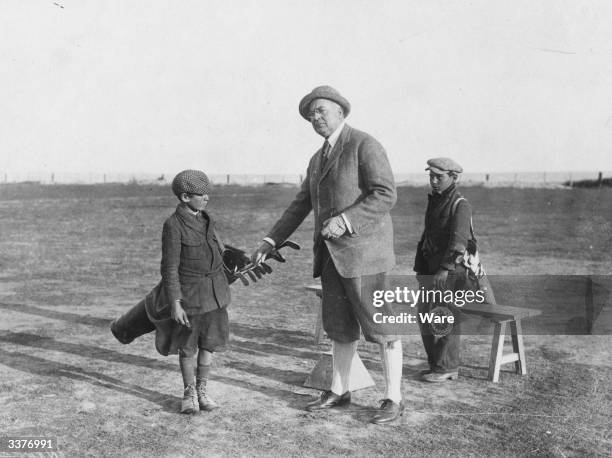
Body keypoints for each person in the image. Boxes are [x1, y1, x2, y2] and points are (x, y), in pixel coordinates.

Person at [252, 86, 404, 424]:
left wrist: (346, 220)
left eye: (320, 111)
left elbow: (386, 194)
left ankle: (393, 398)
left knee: (382, 327)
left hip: (366, 256)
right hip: (332, 259)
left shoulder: (365, 145)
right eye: (310, 115)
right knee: (339, 328)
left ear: (340, 111)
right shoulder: (317, 158)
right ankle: (339, 390)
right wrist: (270, 240)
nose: (315, 118)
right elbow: (300, 205)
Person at [414, 158, 494, 382]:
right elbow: (427, 237)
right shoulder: (436, 201)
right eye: (431, 176)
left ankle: (446, 367)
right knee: (423, 314)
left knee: (444, 315)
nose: (434, 181)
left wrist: (444, 269)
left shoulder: (460, 204)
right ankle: (436, 365)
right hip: (432, 271)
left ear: (454, 178)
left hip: (452, 273)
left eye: (439, 177)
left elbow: (459, 243)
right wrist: (421, 268)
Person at [160, 169, 231, 413]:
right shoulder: (173, 225)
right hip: (191, 298)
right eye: (201, 194)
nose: (207, 197)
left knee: (209, 345)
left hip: (215, 296)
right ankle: (189, 393)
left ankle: (202, 391)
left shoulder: (206, 219)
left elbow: (218, 251)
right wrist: (176, 303)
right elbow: (169, 268)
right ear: (185, 197)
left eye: (207, 193)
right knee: (188, 348)